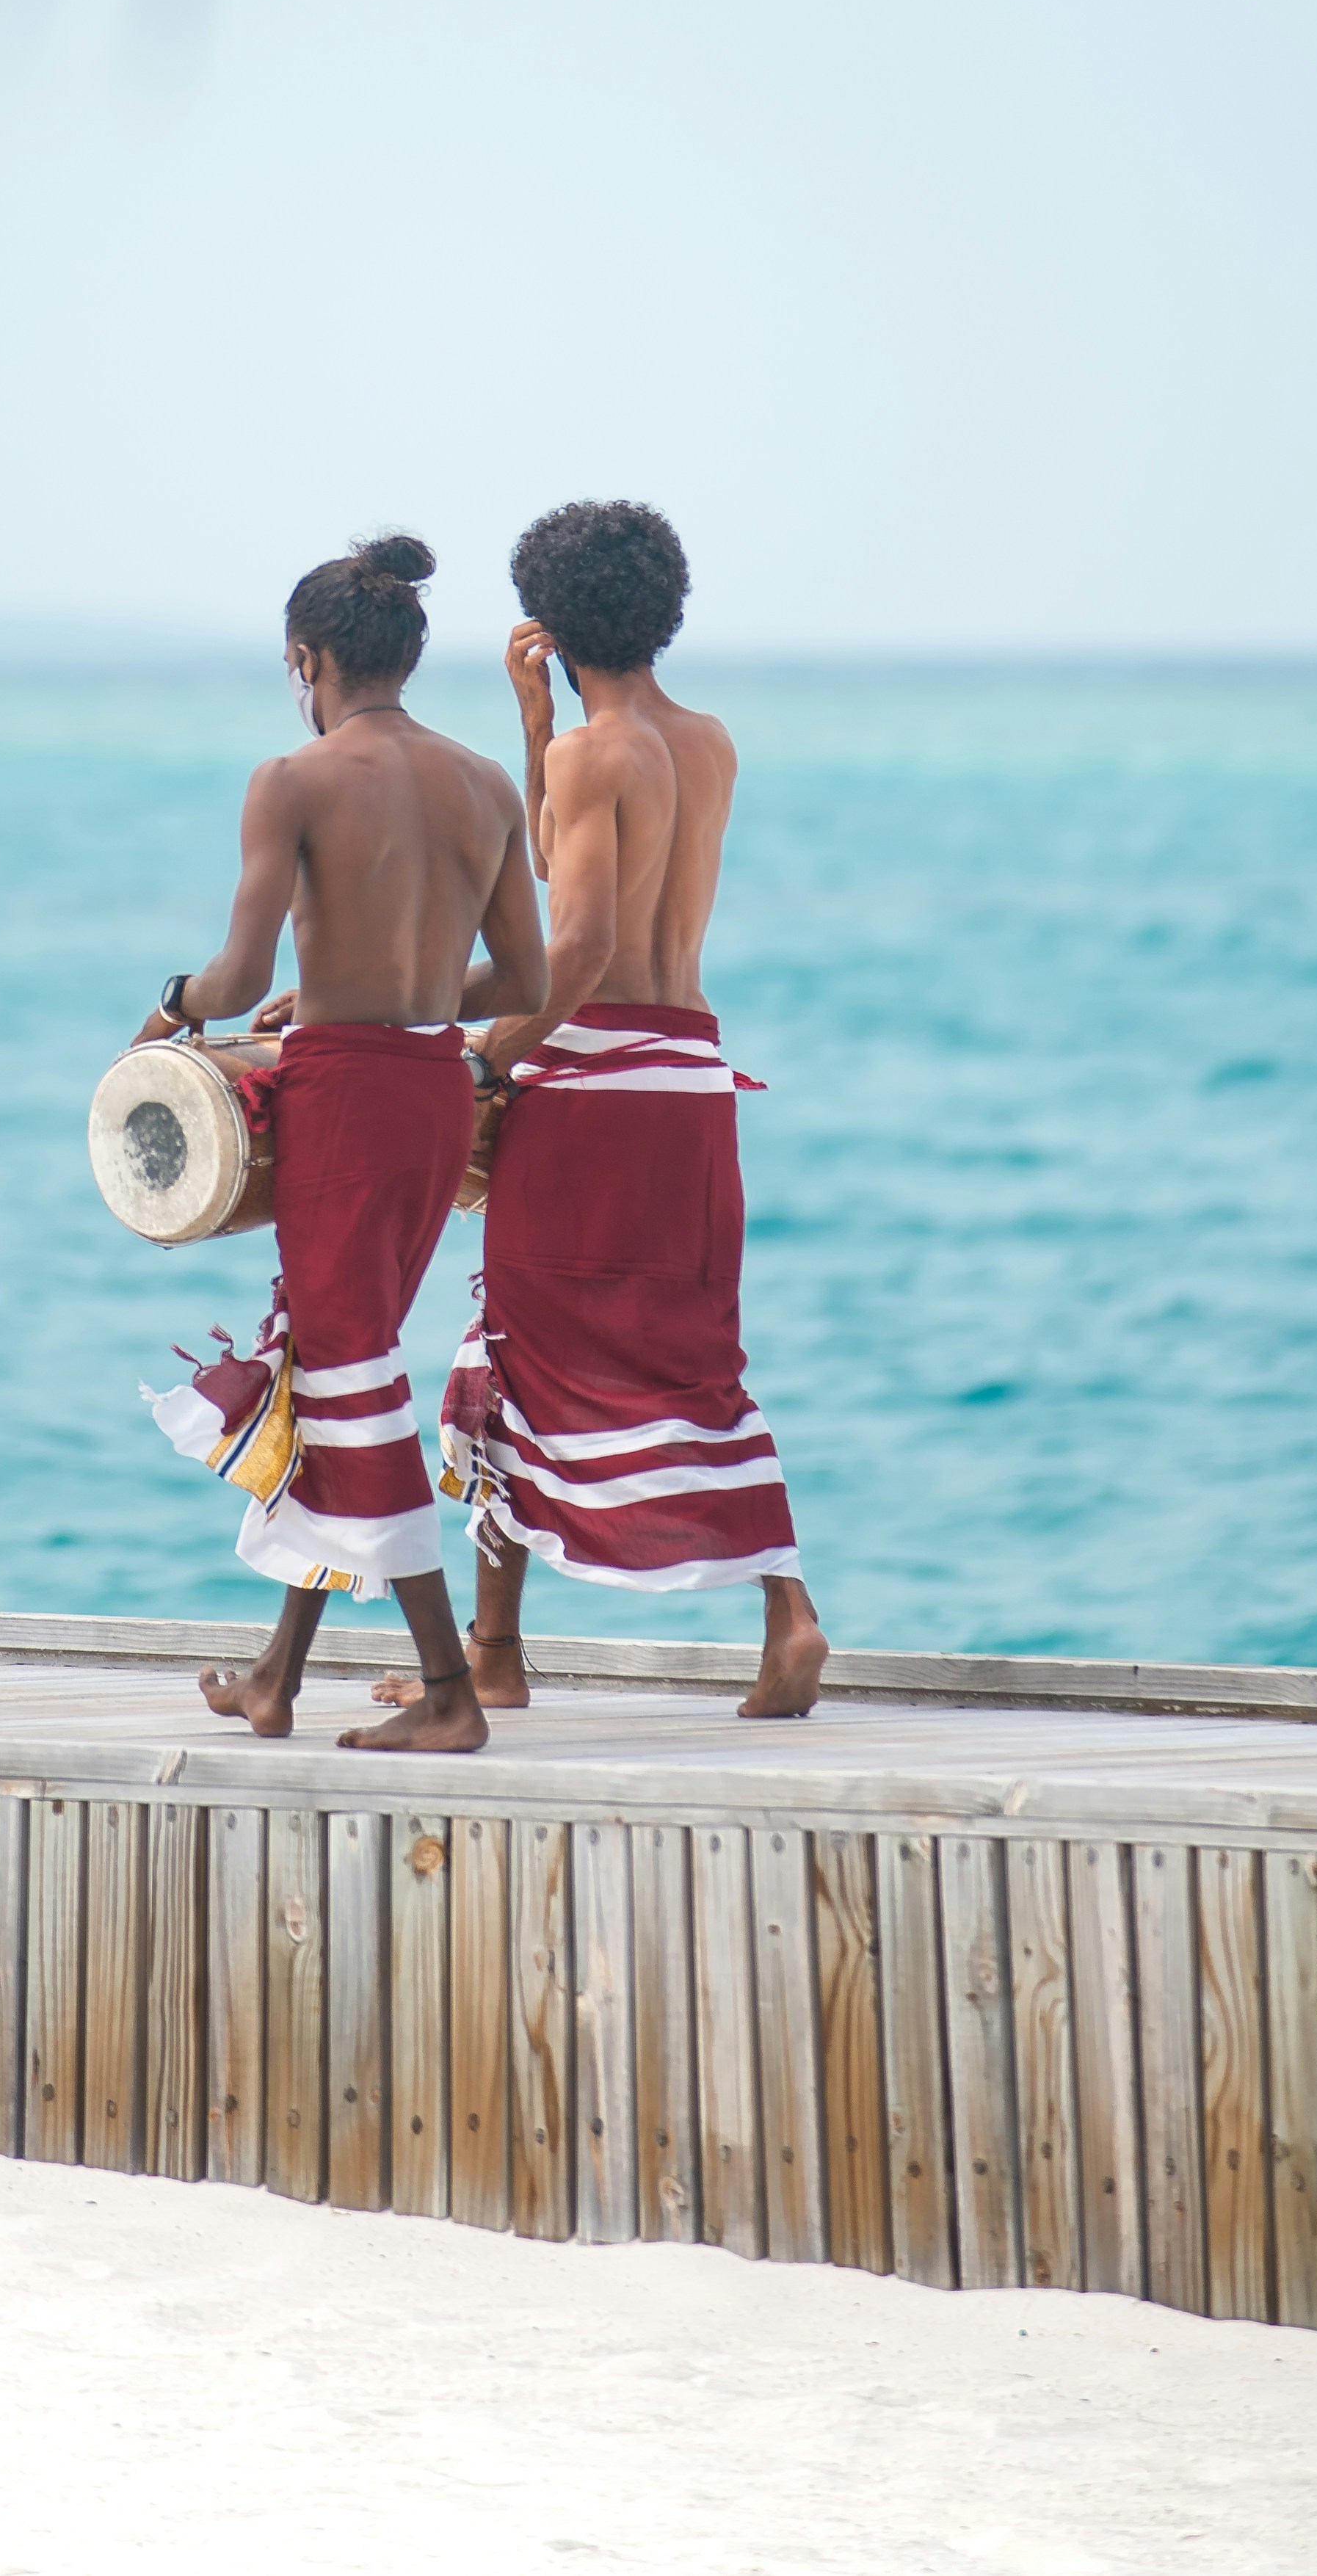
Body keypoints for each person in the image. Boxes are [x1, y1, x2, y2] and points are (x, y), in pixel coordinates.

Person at [391, 498, 827, 1721]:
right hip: (689, 1082)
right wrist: (538, 726)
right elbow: (573, 866)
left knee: (513, 1348)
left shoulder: (598, 759)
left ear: (553, 617)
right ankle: (788, 1613)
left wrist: (484, 1062)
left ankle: (493, 1655)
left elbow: (576, 947)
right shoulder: (706, 743)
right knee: (697, 1360)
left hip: (594, 1088)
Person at [135, 531, 545, 1756]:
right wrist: (389, 990)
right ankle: (277, 1677)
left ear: (307, 660)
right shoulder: (487, 783)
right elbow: (522, 980)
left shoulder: (292, 780)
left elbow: (236, 977)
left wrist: (173, 1005)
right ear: (405, 657)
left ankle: (448, 1690)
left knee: (351, 1375)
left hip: (344, 1102)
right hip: (431, 1092)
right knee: (333, 1361)